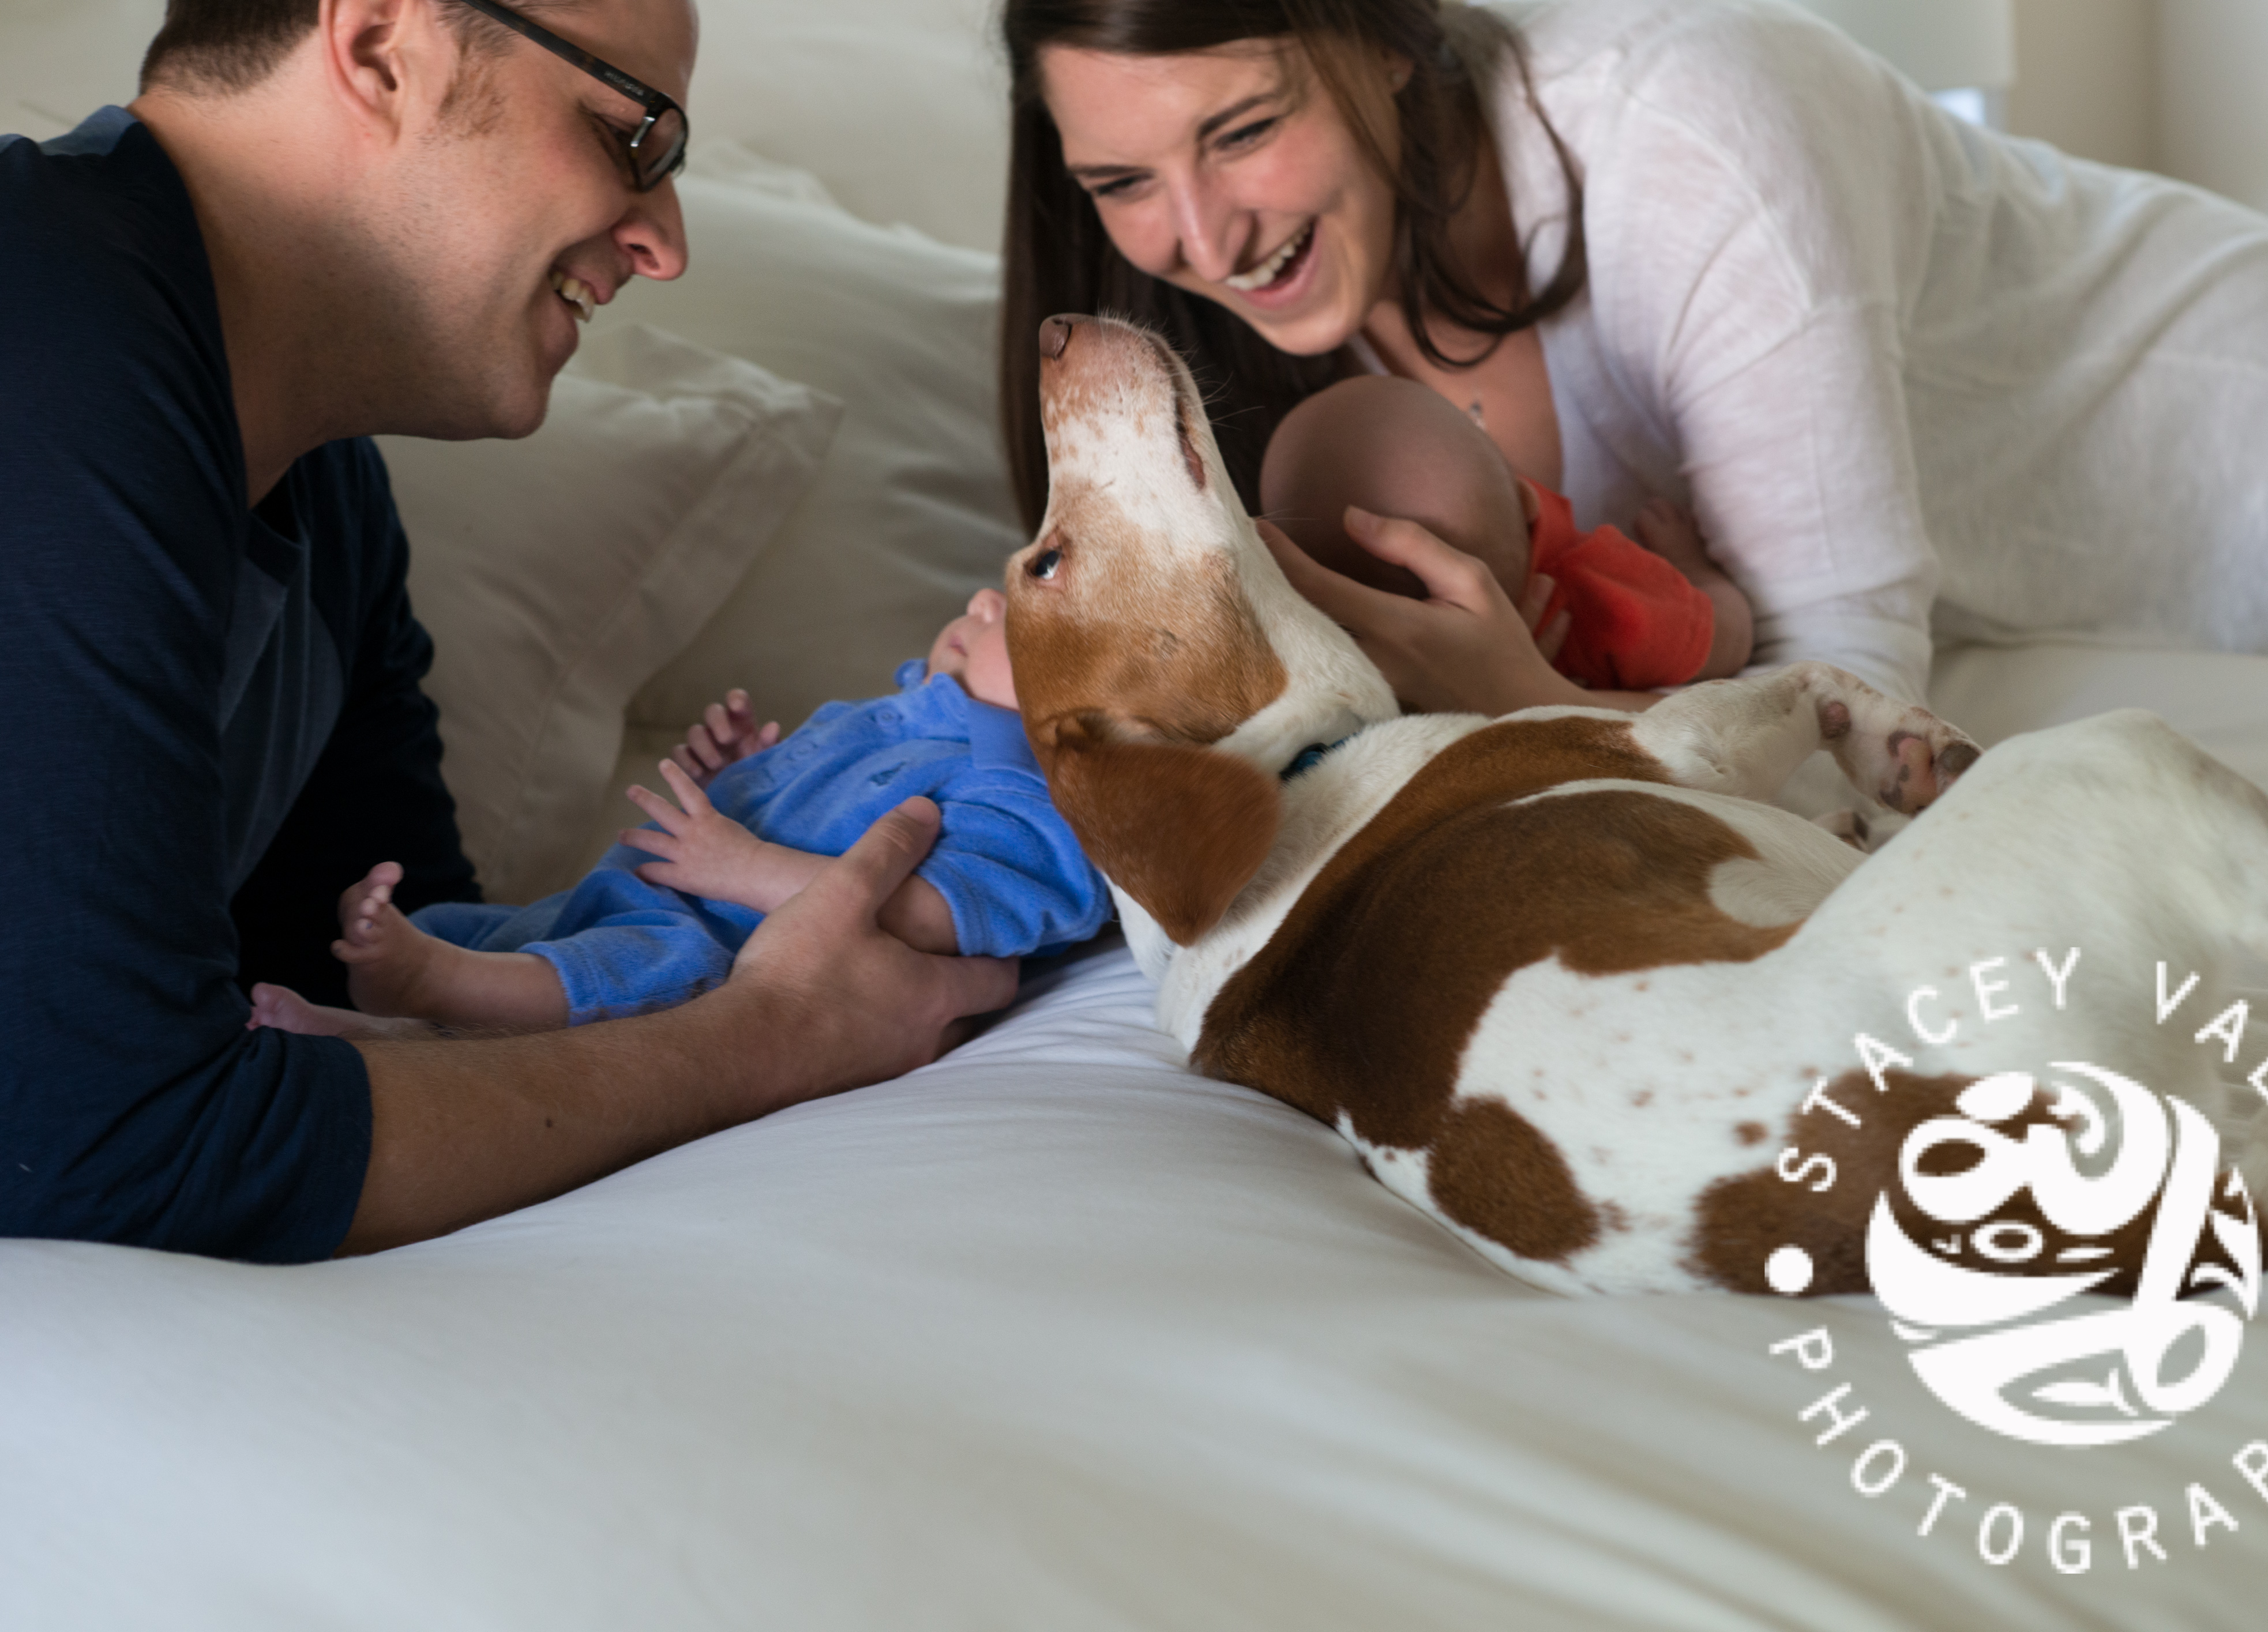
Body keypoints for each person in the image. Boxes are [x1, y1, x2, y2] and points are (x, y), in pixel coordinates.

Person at [0, 0, 1013, 1264]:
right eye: (630, 134)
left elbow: (394, 998)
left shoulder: (323, 492)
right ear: (383, 50)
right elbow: (110, 1145)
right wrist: (772, 1038)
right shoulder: (42, 319)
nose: (663, 243)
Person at [994, 0, 2268, 714]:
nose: (1204, 238)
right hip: (2041, 613)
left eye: (1245, 130)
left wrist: (1535, 711)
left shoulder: (1693, 134)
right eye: (1121, 181)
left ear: (1383, 36)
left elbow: (1859, 709)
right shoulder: (1222, 339)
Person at [250, 589, 1109, 1036]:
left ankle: (433, 988)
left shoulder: (1035, 800)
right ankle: (374, 1027)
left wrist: (743, 866)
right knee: (503, 932)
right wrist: (739, 777)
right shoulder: (902, 721)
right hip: (643, 895)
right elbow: (813, 814)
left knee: (624, 970)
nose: (984, 602)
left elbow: (933, 916)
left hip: (723, 953)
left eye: (1027, 603)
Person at [1260, 374, 1753, 697]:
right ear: (1526, 498)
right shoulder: (1601, 591)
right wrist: (1695, 569)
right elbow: (1730, 642)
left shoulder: (1374, 682)